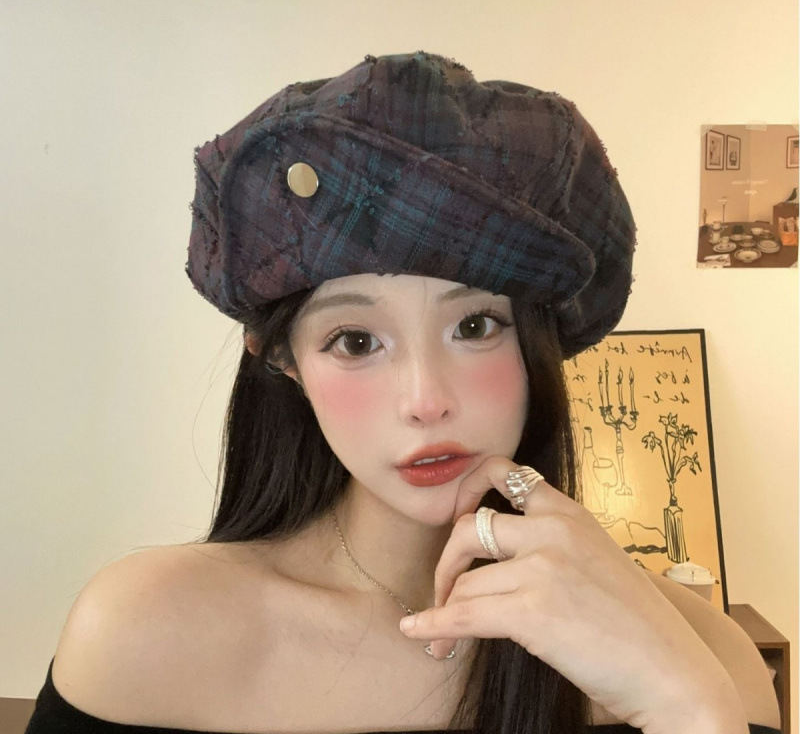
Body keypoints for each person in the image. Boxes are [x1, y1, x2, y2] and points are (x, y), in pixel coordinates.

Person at [26, 52, 781, 734]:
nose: (425, 400)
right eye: (356, 342)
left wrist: (688, 709)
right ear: (284, 361)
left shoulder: (701, 655)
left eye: (476, 326)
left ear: (536, 345)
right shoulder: (148, 634)